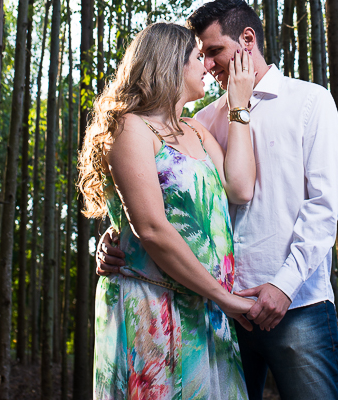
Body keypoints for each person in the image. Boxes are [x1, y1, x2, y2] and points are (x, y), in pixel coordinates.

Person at [99, 0, 338, 400]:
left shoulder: (310, 101)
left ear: (247, 40)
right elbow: (162, 200)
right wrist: (115, 236)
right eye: (202, 55)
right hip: (213, 308)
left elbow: (321, 208)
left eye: (213, 51)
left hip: (295, 304)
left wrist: (282, 287)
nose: (208, 65)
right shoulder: (203, 118)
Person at [77, 21, 258, 399]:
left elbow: (240, 187)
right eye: (198, 57)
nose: (207, 65)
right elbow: (152, 229)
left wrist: (239, 107)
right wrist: (225, 298)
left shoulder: (196, 130)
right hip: (153, 306)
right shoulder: (129, 128)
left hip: (204, 309)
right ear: (172, 64)